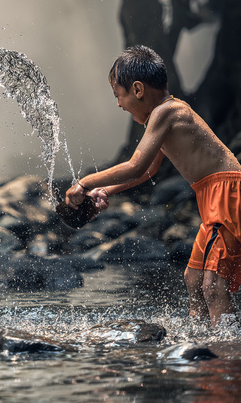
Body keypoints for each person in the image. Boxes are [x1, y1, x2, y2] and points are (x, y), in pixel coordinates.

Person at [65, 45, 241, 327]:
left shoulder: (166, 112)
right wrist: (106, 191)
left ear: (137, 89)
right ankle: (200, 341)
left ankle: (228, 351)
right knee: (193, 278)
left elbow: (134, 164)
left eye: (118, 95)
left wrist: (84, 183)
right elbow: (146, 171)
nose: (119, 104)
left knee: (213, 284)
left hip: (227, 194)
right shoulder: (164, 115)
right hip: (213, 196)